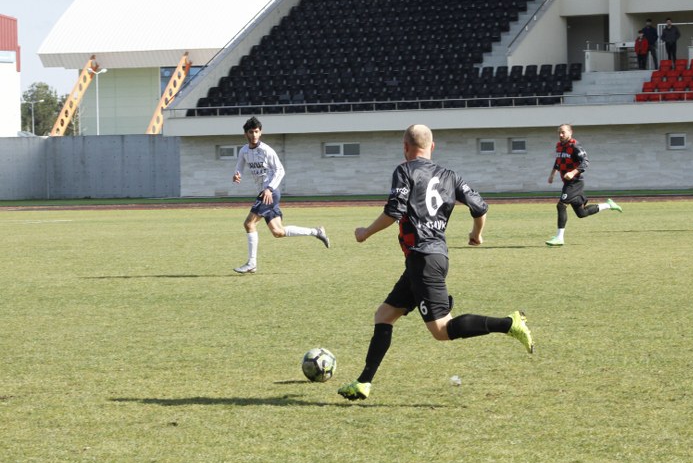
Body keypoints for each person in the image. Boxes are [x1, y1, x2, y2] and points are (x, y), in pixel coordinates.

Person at [337, 124, 533, 401]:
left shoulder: (404, 170)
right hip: (431, 257)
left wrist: (365, 233)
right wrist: (476, 235)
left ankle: (509, 323)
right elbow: (481, 207)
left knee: (442, 331)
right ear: (433, 146)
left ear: (405, 147)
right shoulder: (450, 175)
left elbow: (394, 212)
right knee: (384, 315)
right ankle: (363, 382)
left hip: (423, 259)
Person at [232, 116, 329, 273]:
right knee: (278, 232)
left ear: (260, 132)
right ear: (246, 134)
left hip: (270, 192)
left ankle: (252, 263)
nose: (254, 135)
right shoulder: (243, 151)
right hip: (265, 192)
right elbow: (239, 167)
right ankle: (316, 231)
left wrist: (269, 188)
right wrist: (237, 174)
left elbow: (280, 170)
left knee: (249, 224)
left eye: (256, 131)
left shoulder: (267, 150)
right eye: (251, 132)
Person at [545, 124, 622, 247]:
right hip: (568, 182)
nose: (560, 135)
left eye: (563, 132)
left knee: (561, 205)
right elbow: (558, 161)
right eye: (559, 132)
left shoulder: (575, 146)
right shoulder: (559, 146)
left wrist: (573, 172)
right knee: (582, 213)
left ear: (570, 133)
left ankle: (559, 238)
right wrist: (552, 174)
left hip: (575, 182)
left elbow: (585, 162)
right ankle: (609, 205)